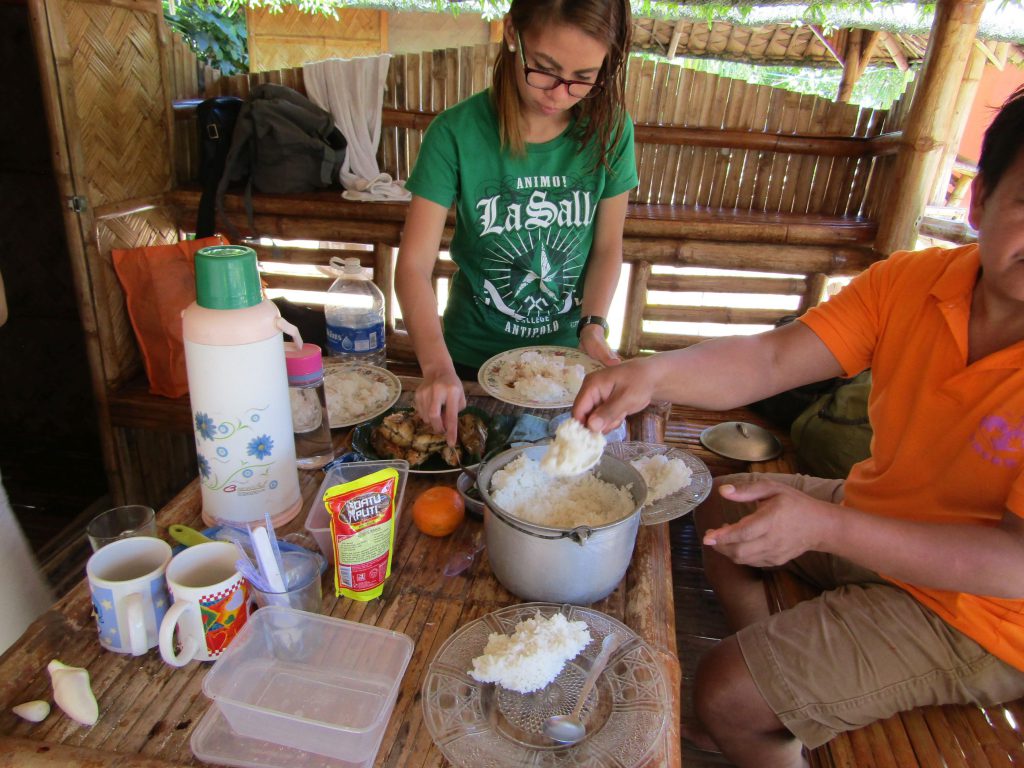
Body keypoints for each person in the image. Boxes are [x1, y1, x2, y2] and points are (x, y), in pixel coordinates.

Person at [572, 85, 1024, 768]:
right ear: (979, 198)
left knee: (723, 693)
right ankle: (791, 698)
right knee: (721, 502)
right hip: (883, 517)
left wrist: (830, 527)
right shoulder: (913, 283)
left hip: (983, 613)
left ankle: (763, 709)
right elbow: (772, 357)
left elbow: (1016, 565)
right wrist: (651, 375)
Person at [395, 0, 637, 442]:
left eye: (583, 79)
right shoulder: (455, 133)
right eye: (544, 69)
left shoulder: (612, 130)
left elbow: (606, 249)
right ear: (512, 34)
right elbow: (412, 266)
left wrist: (593, 326)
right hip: (467, 363)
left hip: (563, 368)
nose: (559, 93)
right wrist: (435, 367)